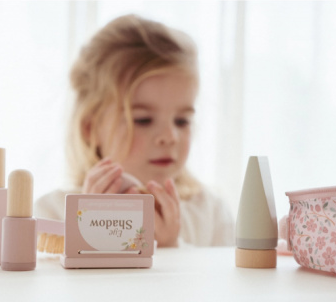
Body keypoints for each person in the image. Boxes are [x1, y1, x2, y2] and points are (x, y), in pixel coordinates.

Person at [35, 14, 234, 247]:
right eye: (143, 120)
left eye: (181, 121)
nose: (170, 137)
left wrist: (170, 247)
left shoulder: (211, 214)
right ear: (90, 128)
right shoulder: (52, 214)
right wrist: (91, 237)